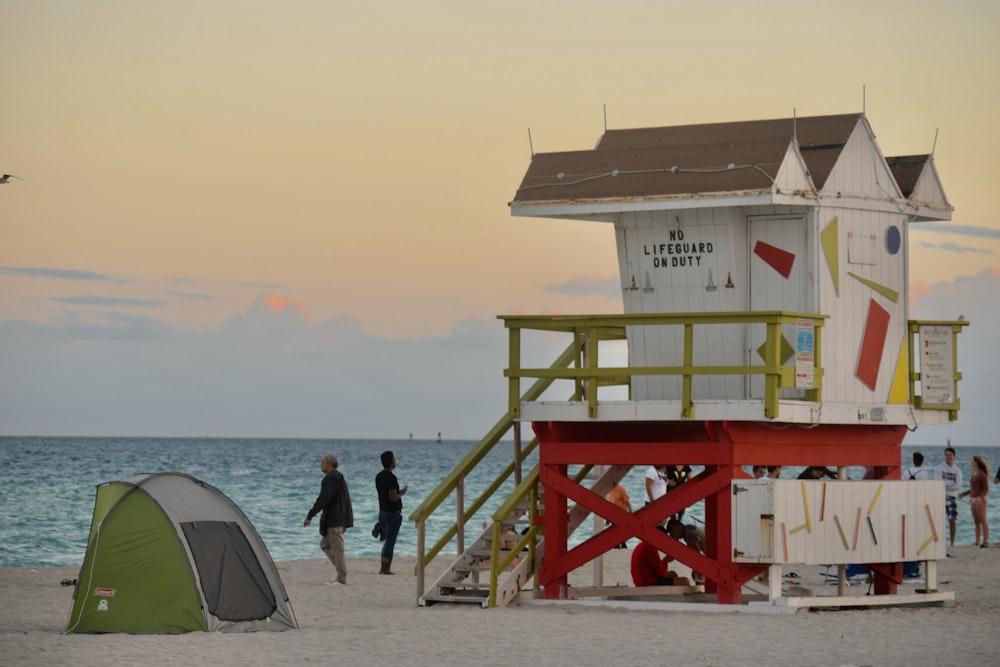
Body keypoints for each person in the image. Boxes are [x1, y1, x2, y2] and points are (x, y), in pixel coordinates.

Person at [304, 454, 354, 585]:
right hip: (337, 519)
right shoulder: (339, 477)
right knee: (324, 545)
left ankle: (342, 578)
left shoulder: (330, 479)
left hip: (334, 520)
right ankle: (339, 571)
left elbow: (323, 499)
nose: (321, 464)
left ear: (330, 464)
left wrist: (310, 515)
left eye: (323, 462)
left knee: (338, 550)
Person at [375, 450, 408, 574]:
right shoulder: (391, 477)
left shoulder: (378, 476)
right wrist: (402, 493)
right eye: (394, 459)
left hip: (382, 511)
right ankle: (385, 569)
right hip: (392, 513)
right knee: (390, 542)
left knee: (387, 541)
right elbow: (393, 497)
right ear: (391, 462)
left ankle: (383, 568)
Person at [934, 446, 963, 548]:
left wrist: (945, 483)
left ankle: (952, 543)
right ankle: (940, 542)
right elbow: (938, 482)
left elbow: (958, 486)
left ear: (954, 456)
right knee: (939, 520)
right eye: (946, 455)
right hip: (941, 496)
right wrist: (951, 483)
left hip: (952, 497)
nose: (948, 457)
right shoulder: (939, 468)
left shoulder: (957, 470)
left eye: (950, 455)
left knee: (952, 520)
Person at [958, 456, 990, 547]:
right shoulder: (974, 474)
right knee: (976, 521)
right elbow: (973, 488)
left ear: (976, 462)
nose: (971, 462)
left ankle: (985, 541)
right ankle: (977, 542)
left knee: (983, 520)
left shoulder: (982, 474)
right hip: (973, 499)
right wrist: (963, 494)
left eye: (972, 461)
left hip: (980, 500)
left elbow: (986, 488)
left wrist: (980, 497)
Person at [666, 518, 707, 584]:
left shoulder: (689, 532)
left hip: (714, 555)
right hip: (712, 553)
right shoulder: (688, 530)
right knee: (697, 574)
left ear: (677, 527)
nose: (672, 535)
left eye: (672, 532)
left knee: (697, 575)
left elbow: (696, 555)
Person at [608, 481, 632, 549]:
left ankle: (622, 544)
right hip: (614, 514)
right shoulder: (610, 489)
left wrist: (631, 514)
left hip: (622, 513)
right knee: (615, 530)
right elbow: (611, 503)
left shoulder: (620, 488)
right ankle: (618, 544)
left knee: (621, 530)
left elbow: (627, 502)